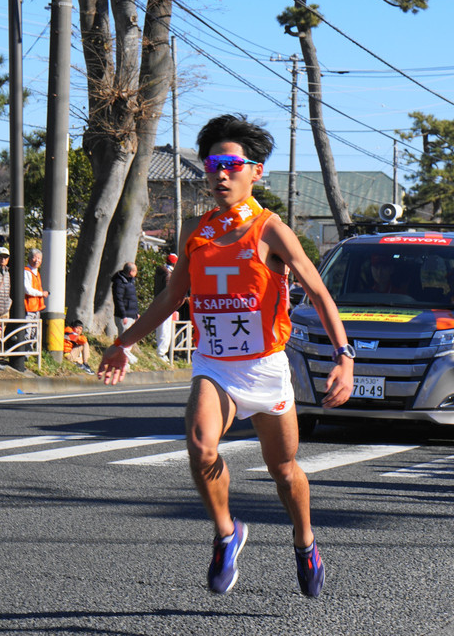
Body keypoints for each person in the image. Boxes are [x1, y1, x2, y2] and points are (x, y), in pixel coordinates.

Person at [98, 114, 354, 598]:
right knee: (200, 442)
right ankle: (226, 532)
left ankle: (304, 541)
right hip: (215, 363)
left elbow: (318, 292)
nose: (219, 174)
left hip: (266, 366)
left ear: (255, 172)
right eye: (212, 164)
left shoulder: (271, 229)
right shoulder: (197, 230)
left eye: (231, 165)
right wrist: (122, 342)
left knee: (284, 471)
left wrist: (345, 355)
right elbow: (171, 299)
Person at [153, 253, 178, 360]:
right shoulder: (168, 274)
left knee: (162, 328)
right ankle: (161, 353)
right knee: (165, 328)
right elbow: (169, 290)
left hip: (159, 302)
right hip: (166, 304)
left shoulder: (161, 272)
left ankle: (161, 351)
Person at [24, 248, 48, 351]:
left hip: (36, 308)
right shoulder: (26, 271)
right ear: (29, 259)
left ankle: (29, 353)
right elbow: (27, 289)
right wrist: (41, 294)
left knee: (34, 332)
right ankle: (24, 354)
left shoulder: (37, 273)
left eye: (39, 258)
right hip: (28, 308)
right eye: (34, 257)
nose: (37, 260)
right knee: (27, 331)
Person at [112, 261, 139, 334]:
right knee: (123, 341)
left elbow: (133, 299)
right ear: (131, 272)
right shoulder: (119, 283)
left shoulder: (131, 282)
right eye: (135, 271)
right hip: (124, 316)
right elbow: (118, 300)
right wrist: (123, 315)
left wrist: (136, 313)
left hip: (132, 315)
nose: (136, 273)